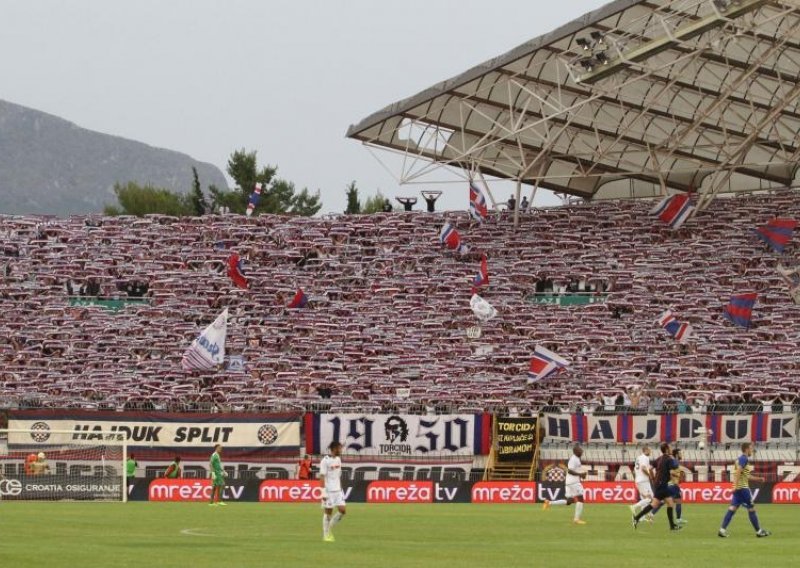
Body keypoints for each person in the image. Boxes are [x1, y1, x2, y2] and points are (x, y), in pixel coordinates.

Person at [718, 443, 771, 538]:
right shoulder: (744, 459)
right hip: (743, 489)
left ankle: (722, 530)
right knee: (751, 508)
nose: (752, 450)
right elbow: (738, 471)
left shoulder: (739, 459)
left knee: (732, 508)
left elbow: (746, 476)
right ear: (746, 449)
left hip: (738, 488)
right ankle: (759, 531)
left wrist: (759, 479)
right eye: (751, 448)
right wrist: (735, 486)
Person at [632, 443, 681, 531]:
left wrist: (653, 478)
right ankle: (637, 518)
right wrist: (677, 475)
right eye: (670, 448)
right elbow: (672, 471)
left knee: (667, 503)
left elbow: (650, 468)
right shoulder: (669, 459)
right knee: (658, 504)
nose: (671, 449)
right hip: (662, 485)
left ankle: (672, 526)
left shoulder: (659, 458)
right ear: (666, 449)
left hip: (659, 484)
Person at [542, 444, 587, 525]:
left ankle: (549, 503)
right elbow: (570, 471)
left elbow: (574, 470)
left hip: (569, 482)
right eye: (580, 450)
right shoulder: (574, 459)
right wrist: (580, 475)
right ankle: (576, 519)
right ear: (576, 451)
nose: (582, 451)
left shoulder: (576, 458)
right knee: (580, 499)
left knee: (569, 501)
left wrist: (581, 474)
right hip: (574, 482)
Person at [652, 447, 687, 525]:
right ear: (677, 454)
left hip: (671, 485)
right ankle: (650, 514)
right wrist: (677, 477)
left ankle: (678, 519)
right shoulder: (673, 461)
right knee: (670, 501)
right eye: (680, 453)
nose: (682, 454)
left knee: (673, 501)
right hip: (672, 485)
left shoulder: (674, 461)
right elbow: (670, 472)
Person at [320, 441, 346, 542]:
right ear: (334, 449)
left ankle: (329, 526)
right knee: (328, 512)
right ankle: (326, 534)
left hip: (338, 491)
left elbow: (338, 475)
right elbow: (321, 476)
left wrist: (341, 489)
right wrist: (323, 492)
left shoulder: (339, 460)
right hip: (329, 491)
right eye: (339, 448)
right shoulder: (325, 461)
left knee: (343, 510)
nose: (341, 450)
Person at [630, 445, 654, 521]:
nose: (651, 452)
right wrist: (649, 476)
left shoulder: (638, 458)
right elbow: (643, 468)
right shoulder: (645, 458)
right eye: (650, 450)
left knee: (645, 498)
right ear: (646, 450)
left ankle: (642, 517)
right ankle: (634, 506)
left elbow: (634, 471)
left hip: (639, 480)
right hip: (643, 480)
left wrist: (636, 479)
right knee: (650, 498)